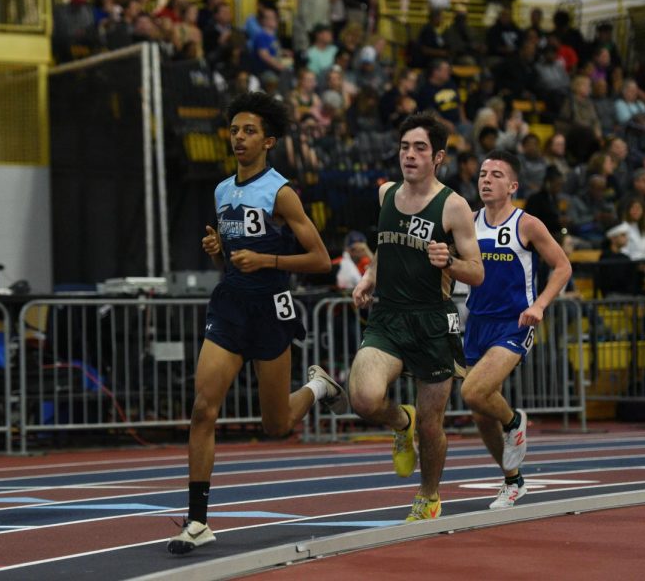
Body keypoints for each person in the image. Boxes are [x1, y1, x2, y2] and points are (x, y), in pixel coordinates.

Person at [167, 92, 346, 555]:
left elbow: (321, 259)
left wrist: (264, 257)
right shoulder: (222, 190)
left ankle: (318, 387)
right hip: (229, 306)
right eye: (234, 131)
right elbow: (235, 250)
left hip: (271, 308)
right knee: (204, 408)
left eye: (249, 132)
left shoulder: (281, 192)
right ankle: (198, 520)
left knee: (276, 425)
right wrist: (219, 250)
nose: (239, 139)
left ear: (268, 141)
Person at [312, 112, 485, 522]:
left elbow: (477, 270)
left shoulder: (454, 207)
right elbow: (386, 245)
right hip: (388, 316)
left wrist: (450, 263)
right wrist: (370, 275)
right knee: (364, 398)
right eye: (405, 147)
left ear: (438, 156)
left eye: (420, 148)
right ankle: (398, 420)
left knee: (431, 424)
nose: (409, 155)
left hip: (431, 322)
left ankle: (428, 495)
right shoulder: (386, 193)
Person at [460, 149, 572, 509]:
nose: (486, 179)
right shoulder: (469, 222)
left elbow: (562, 266)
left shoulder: (527, 224)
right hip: (476, 322)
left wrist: (539, 305)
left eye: (495, 174)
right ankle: (513, 482)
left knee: (473, 392)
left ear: (512, 185)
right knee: (480, 412)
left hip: (514, 322)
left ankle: (514, 421)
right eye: (482, 173)